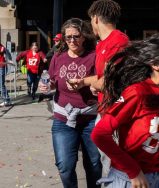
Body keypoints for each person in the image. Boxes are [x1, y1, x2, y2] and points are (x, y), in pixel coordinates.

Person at [91, 33, 159, 188]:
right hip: (129, 180)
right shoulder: (137, 92)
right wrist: (133, 171)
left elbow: (158, 142)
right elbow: (99, 134)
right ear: (155, 64)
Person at [68, 0, 129, 177]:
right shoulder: (101, 43)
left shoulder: (118, 41)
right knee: (106, 163)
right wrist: (84, 81)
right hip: (104, 110)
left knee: (116, 167)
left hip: (117, 114)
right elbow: (102, 78)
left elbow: (109, 82)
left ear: (95, 18)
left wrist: (93, 84)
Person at [39, 18, 102, 188]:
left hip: (90, 119)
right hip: (63, 119)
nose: (72, 41)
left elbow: (102, 80)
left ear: (84, 37)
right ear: (64, 39)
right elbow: (53, 80)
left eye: (76, 36)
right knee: (65, 166)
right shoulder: (58, 57)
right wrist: (47, 85)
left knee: (94, 166)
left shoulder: (93, 56)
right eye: (68, 37)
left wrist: (87, 84)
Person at [38, 33, 63, 102]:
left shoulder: (65, 48)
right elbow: (50, 53)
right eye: (55, 40)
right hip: (55, 68)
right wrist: (45, 58)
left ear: (62, 41)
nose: (55, 42)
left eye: (57, 40)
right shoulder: (55, 47)